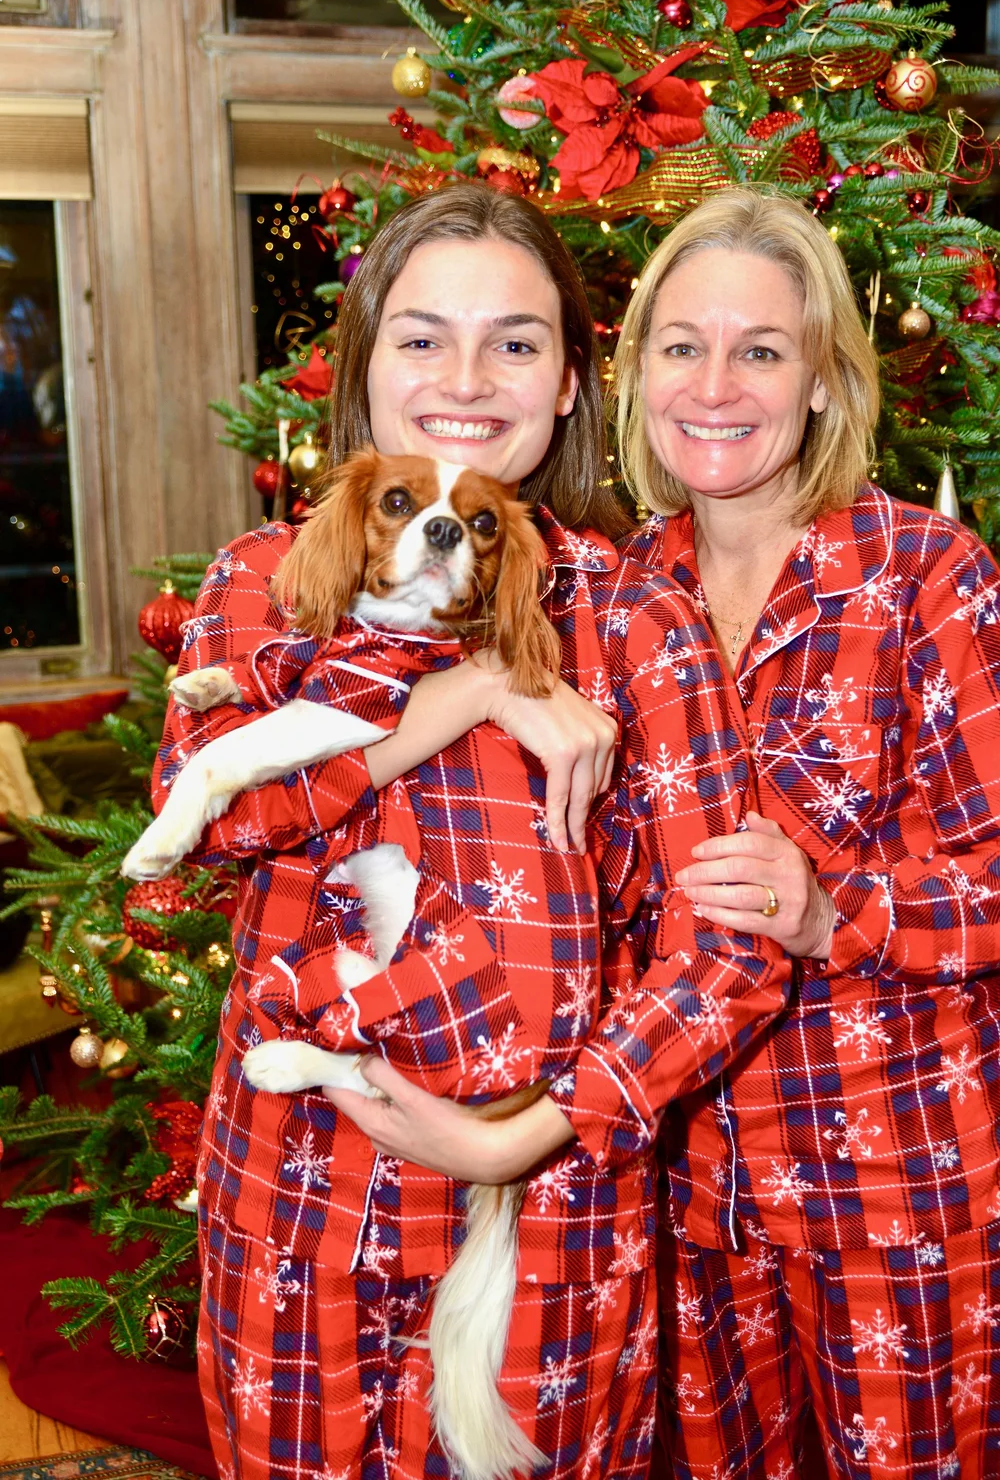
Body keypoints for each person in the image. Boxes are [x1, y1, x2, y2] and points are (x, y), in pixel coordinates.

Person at [156, 183, 790, 1480]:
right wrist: (476, 690)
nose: (467, 376)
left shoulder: (638, 623)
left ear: (567, 382)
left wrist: (526, 1132)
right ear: (365, 363)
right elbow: (221, 828)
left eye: (515, 340)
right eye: (422, 335)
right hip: (303, 1188)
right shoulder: (266, 578)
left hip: (550, 1208)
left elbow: (731, 950)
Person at [607, 185, 1000, 1479]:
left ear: (823, 381)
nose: (715, 384)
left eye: (761, 350)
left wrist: (841, 911)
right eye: (683, 345)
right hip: (687, 1188)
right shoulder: (615, 594)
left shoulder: (928, 575)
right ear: (637, 372)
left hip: (895, 1185)